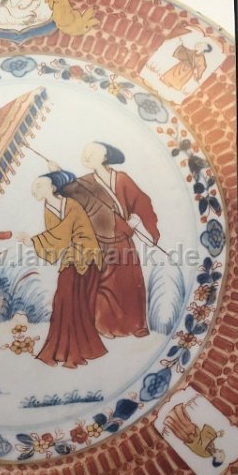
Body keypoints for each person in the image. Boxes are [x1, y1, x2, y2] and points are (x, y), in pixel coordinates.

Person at [55, 142, 160, 338]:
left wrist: (142, 225)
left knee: (129, 283)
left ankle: (136, 325)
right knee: (102, 284)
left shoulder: (122, 179)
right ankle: (104, 326)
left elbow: (142, 202)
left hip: (122, 241)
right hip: (98, 241)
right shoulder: (83, 183)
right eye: (85, 152)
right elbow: (68, 194)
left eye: (93, 152)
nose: (87, 155)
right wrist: (58, 175)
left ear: (105, 157)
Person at [17, 171, 106, 368]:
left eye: (39, 185)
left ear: (52, 187)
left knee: (72, 303)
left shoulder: (71, 204)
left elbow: (62, 233)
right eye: (33, 187)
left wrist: (33, 241)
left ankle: (73, 353)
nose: (34, 189)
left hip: (86, 255)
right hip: (71, 258)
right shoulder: (48, 210)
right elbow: (57, 240)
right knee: (65, 303)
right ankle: (67, 352)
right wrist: (36, 242)